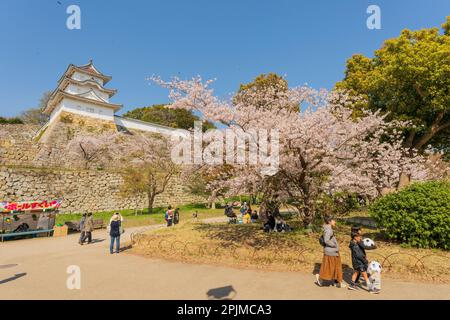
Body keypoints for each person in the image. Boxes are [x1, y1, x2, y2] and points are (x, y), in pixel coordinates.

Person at [315, 216, 345, 288]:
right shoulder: (328, 230)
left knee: (334, 267)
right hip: (331, 251)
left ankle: (336, 282)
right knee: (331, 267)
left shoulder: (328, 229)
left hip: (332, 251)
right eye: (333, 220)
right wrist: (334, 245)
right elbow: (326, 240)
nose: (335, 222)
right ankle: (321, 278)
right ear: (329, 222)